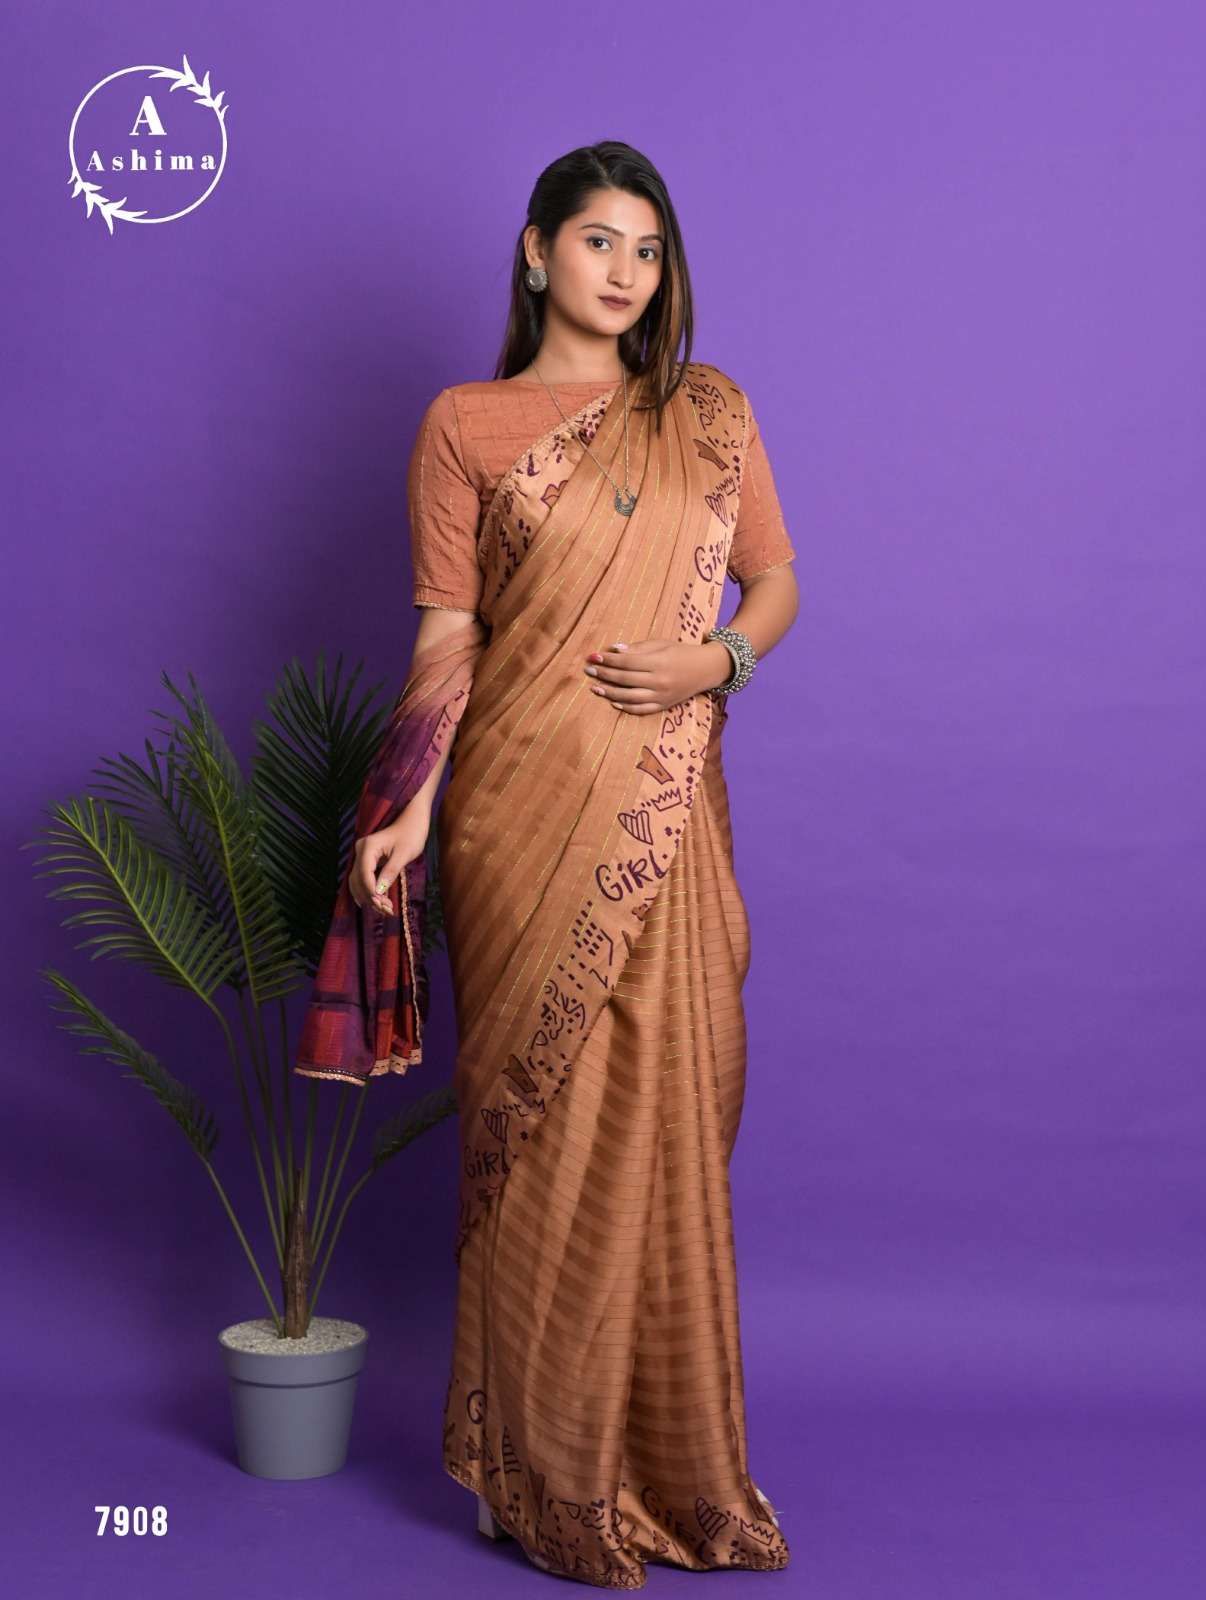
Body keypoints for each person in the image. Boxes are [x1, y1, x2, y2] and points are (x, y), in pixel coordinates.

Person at [294, 140, 799, 1589]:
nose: (624, 271)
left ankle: (667, 1462)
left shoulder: (707, 413)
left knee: (668, 1111)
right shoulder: (465, 423)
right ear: (535, 251)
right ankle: (536, 1471)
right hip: (518, 807)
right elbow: (448, 631)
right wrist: (404, 801)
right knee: (542, 1132)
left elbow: (774, 580)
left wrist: (715, 660)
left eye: (648, 247)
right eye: (596, 241)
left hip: (664, 807)